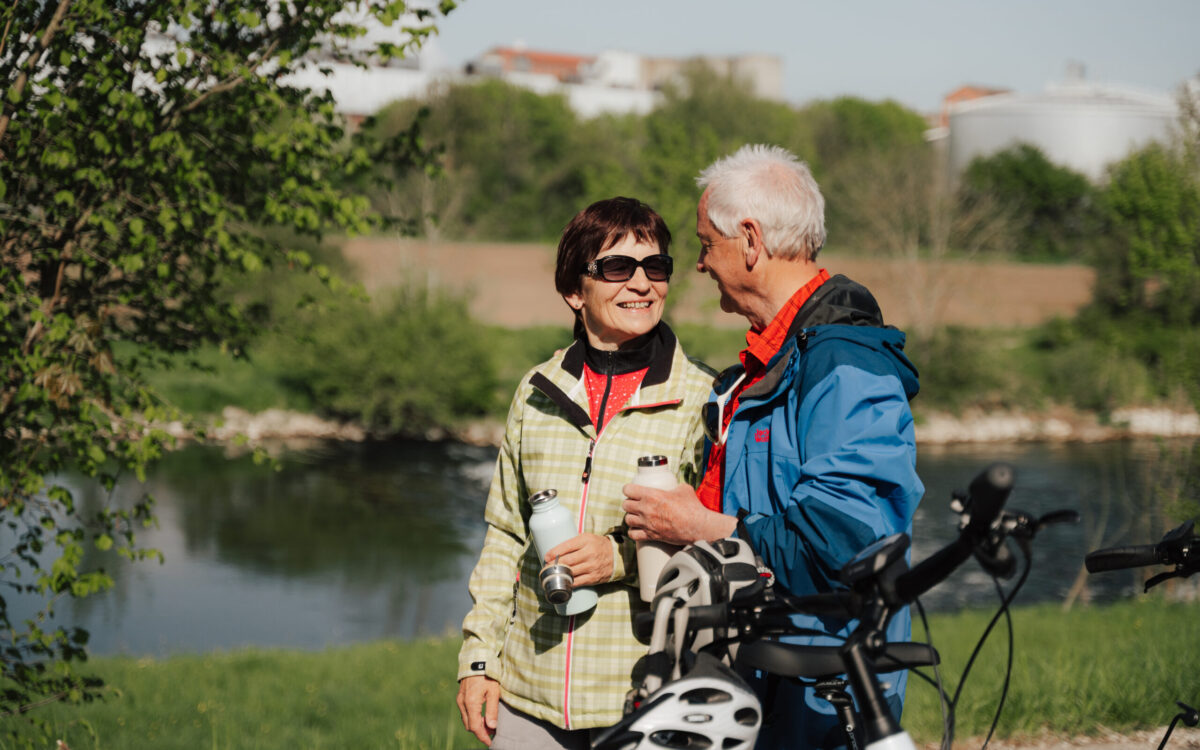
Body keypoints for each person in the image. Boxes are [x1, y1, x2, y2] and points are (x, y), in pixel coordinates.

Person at [621, 144, 925, 749]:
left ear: (751, 242)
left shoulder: (844, 363)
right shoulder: (765, 367)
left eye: (708, 244)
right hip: (767, 671)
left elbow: (847, 538)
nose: (701, 265)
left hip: (824, 686)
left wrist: (703, 526)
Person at [456, 197, 715, 749]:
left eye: (656, 267)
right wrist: (479, 660)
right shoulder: (537, 391)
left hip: (645, 693)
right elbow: (505, 534)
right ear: (576, 290)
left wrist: (618, 557)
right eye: (618, 268)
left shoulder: (702, 399)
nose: (642, 283)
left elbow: (713, 540)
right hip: (529, 696)